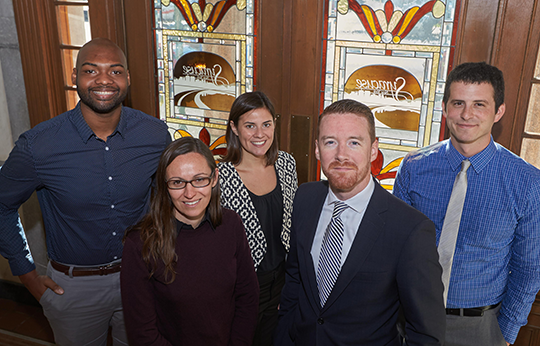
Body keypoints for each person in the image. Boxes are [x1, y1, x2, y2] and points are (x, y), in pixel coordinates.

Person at [0, 38, 171, 345]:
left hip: (141, 278)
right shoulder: (39, 145)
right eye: (91, 70)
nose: (104, 79)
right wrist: (27, 276)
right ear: (74, 76)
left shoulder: (155, 135)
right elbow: (1, 204)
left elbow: (167, 200)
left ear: (128, 78)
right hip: (74, 289)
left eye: (115, 71)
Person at [275, 99, 446, 346]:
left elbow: (426, 332)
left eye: (354, 143)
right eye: (330, 142)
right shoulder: (305, 198)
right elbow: (295, 279)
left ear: (373, 150)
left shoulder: (410, 229)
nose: (341, 155)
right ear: (316, 149)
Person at [394, 62, 540, 346]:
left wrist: (505, 334)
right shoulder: (413, 168)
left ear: (499, 111)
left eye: (479, 105)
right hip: (410, 318)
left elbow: (529, 268)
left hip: (479, 328)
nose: (466, 114)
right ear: (445, 107)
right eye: (458, 102)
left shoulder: (527, 182)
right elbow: (393, 248)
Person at [120, 137, 259, 345]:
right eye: (177, 182)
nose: (189, 193)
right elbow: (143, 333)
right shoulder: (139, 243)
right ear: (164, 186)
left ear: (214, 178)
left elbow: (248, 297)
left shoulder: (231, 224)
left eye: (199, 179)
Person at [219, 91, 298, 345]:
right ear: (234, 127)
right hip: (242, 287)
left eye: (266, 124)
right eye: (249, 126)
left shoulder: (286, 164)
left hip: (283, 282)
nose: (259, 134)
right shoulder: (219, 177)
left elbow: (294, 226)